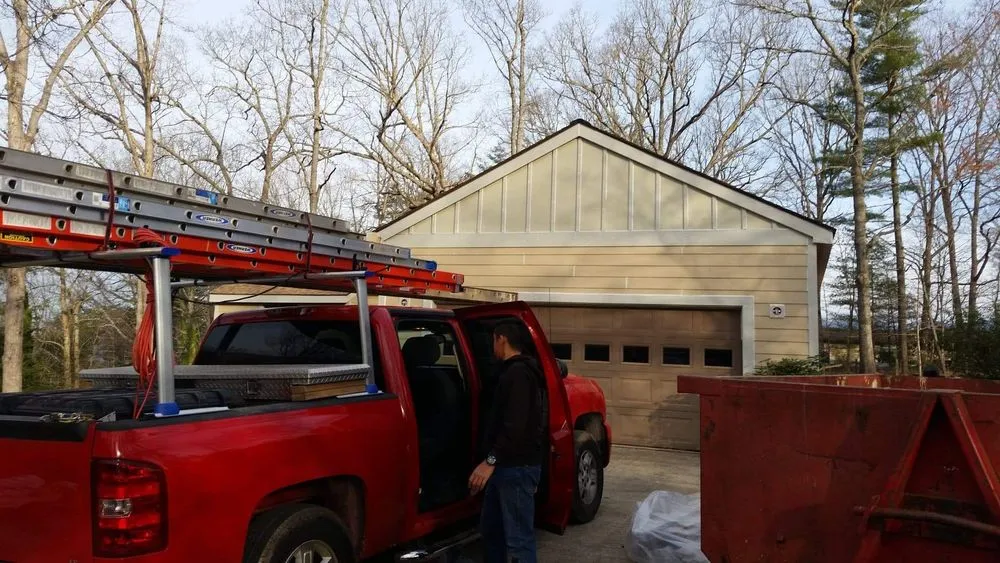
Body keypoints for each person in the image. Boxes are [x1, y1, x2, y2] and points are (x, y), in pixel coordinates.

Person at [468, 320, 547, 563]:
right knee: (493, 533)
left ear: (501, 338)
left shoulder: (519, 374)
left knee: (518, 541)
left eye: (493, 340)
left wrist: (490, 461)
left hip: (516, 469)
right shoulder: (514, 371)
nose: (492, 346)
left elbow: (515, 426)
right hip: (504, 468)